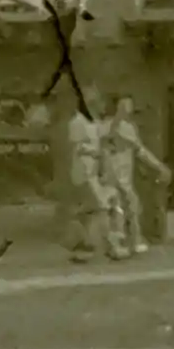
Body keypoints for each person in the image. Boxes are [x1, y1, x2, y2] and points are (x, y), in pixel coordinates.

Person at [98, 96, 171, 259]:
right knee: (118, 210)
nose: (128, 108)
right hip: (110, 178)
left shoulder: (128, 128)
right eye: (124, 105)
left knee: (132, 206)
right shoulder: (105, 126)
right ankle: (119, 246)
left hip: (123, 178)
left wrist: (158, 167)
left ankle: (132, 242)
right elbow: (109, 136)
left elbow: (140, 151)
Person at [62, 103, 105, 262]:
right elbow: (77, 148)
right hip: (82, 171)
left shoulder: (94, 123)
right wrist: (95, 152)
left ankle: (82, 243)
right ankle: (76, 239)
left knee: (90, 209)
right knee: (95, 205)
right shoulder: (77, 122)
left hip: (92, 171)